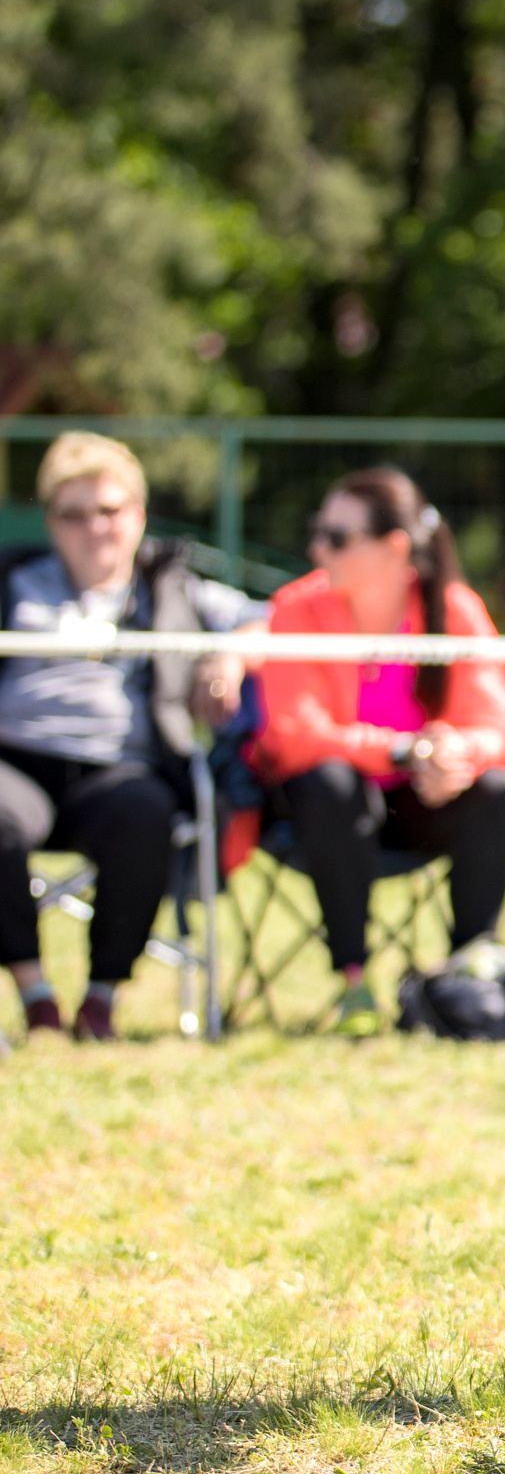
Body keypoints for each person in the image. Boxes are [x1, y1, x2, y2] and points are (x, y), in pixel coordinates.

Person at [0, 434, 259, 1039]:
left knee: (146, 814)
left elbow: (274, 616)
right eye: (74, 514)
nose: (95, 527)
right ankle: (35, 997)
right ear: (51, 523)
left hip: (122, 768)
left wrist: (229, 658)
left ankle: (101, 1001)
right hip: (16, 763)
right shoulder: (14, 579)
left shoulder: (173, 588)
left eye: (110, 510)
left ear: (139, 514)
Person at [253, 467, 505, 1036]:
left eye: (337, 536)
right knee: (333, 786)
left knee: (493, 794)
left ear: (393, 547)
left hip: (416, 804)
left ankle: (467, 978)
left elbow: (499, 727)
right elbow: (295, 730)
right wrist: (403, 750)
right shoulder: (296, 608)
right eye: (319, 531)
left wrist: (453, 753)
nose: (317, 547)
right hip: (320, 811)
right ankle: (354, 981)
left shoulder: (454, 608)